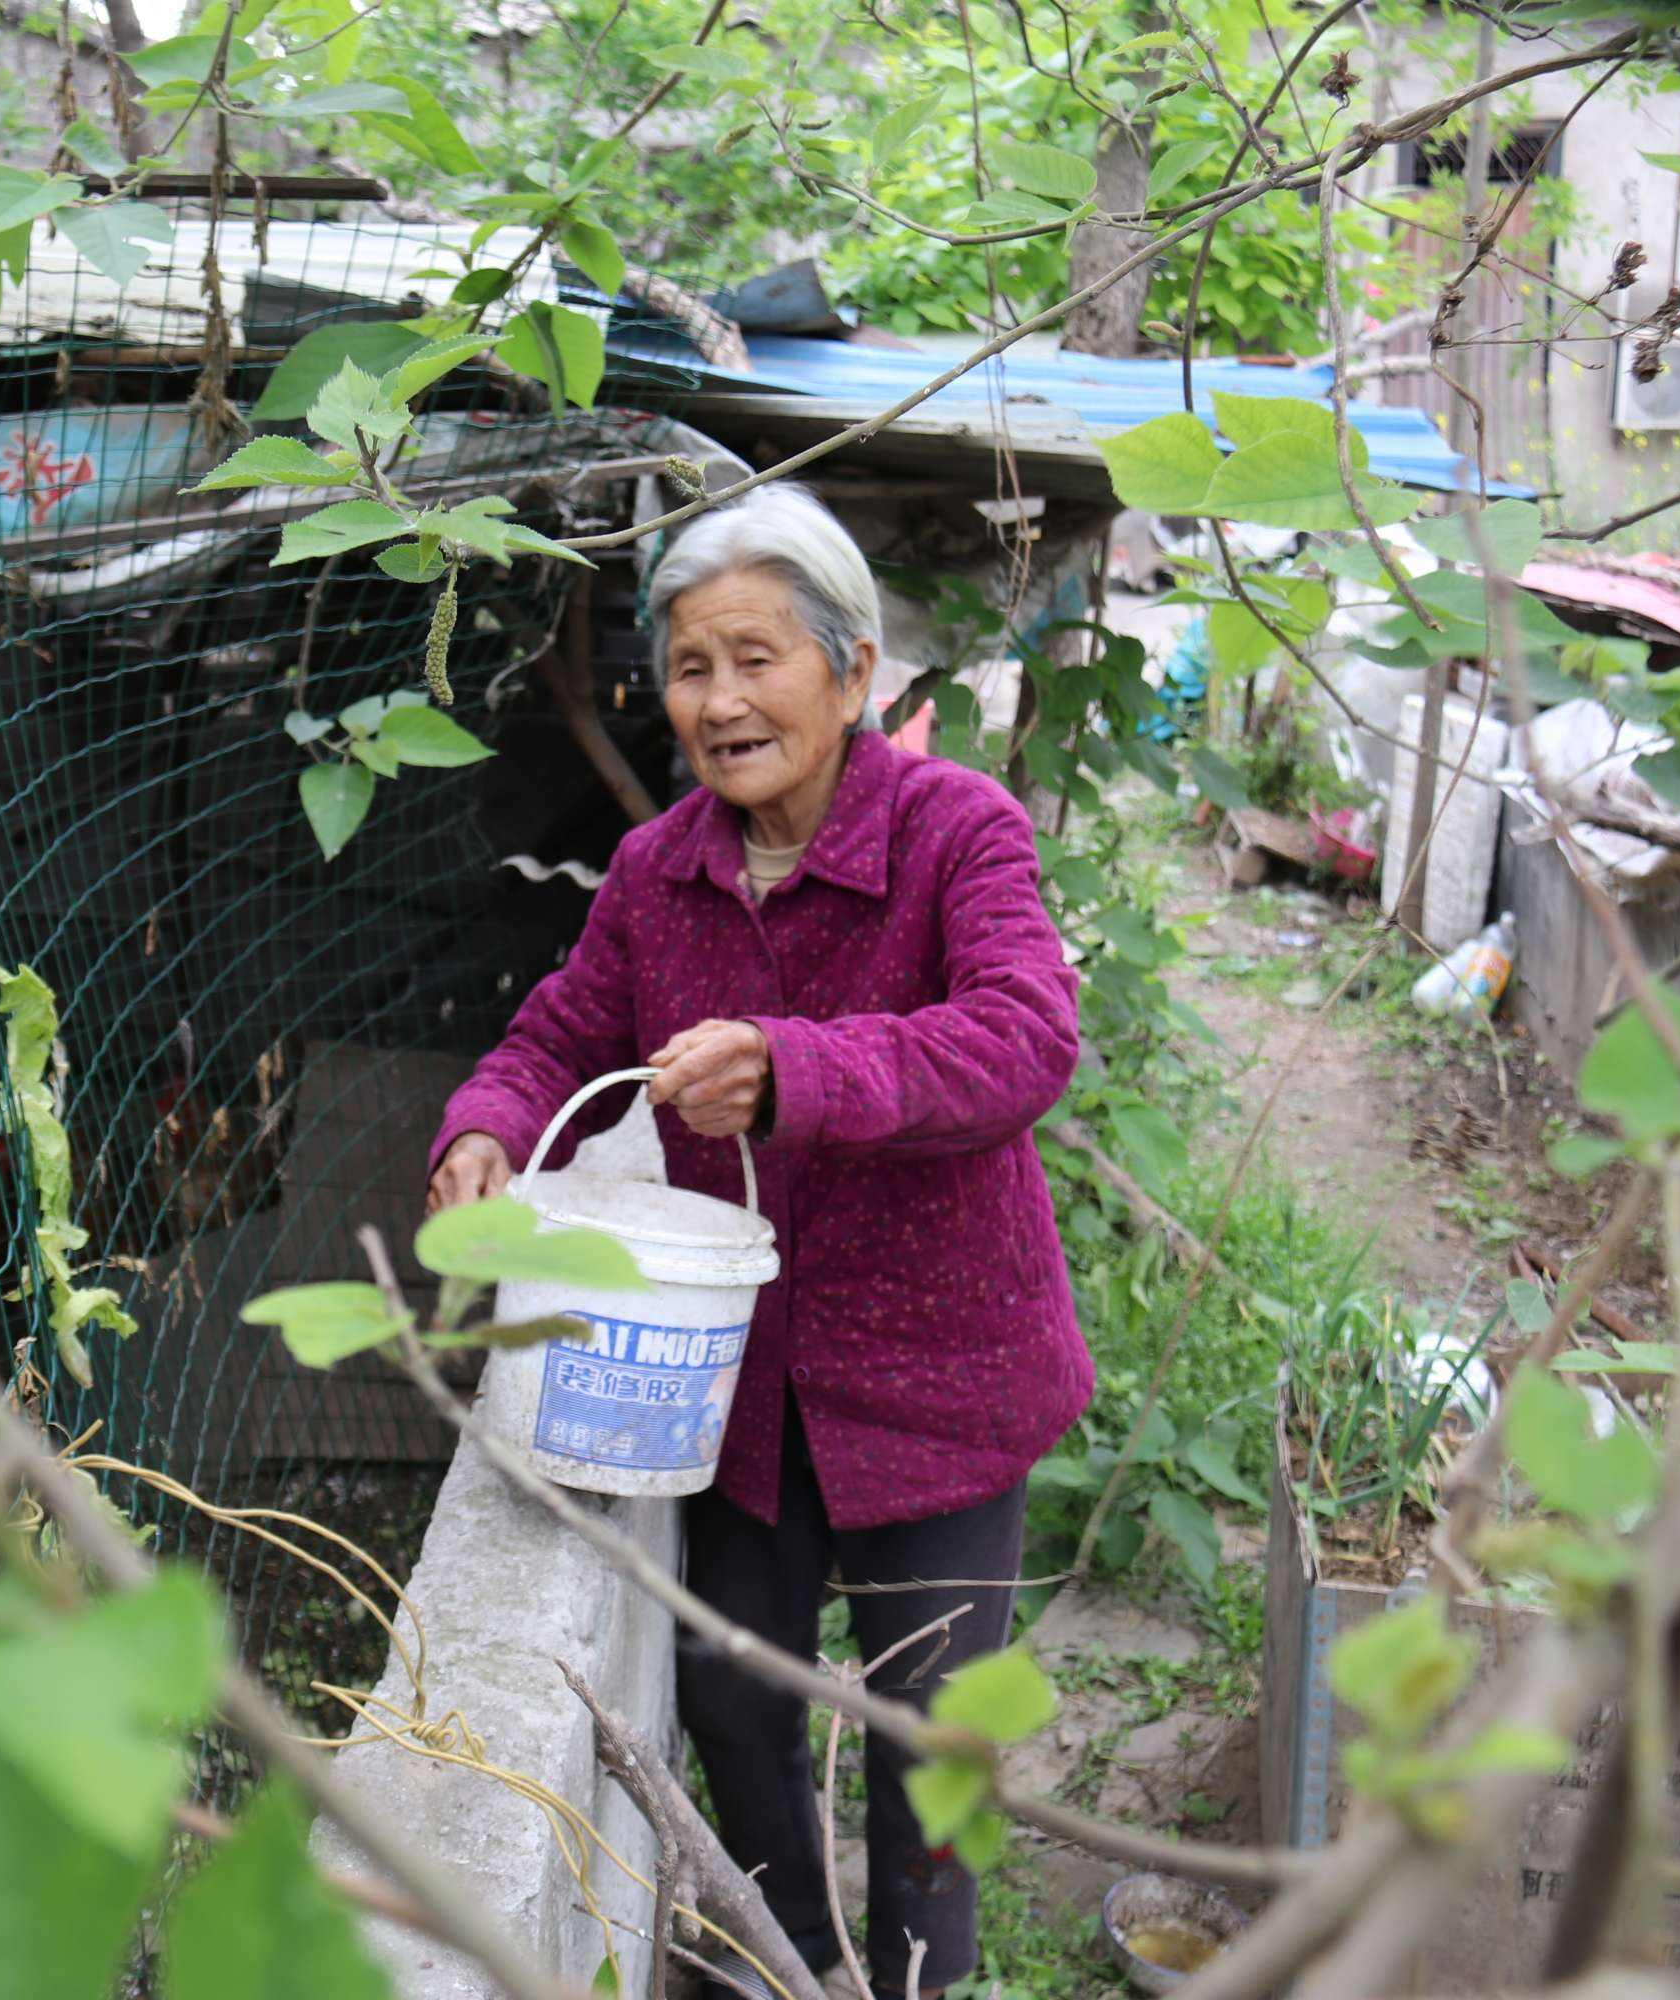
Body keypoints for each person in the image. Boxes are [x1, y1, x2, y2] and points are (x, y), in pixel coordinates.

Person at [423, 484, 1093, 2000]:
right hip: (741, 1384)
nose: (719, 703)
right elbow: (555, 1040)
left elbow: (1024, 1039)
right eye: (687, 667)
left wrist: (798, 1068)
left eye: (756, 659)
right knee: (732, 1698)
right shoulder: (661, 874)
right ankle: (795, 1974)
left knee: (933, 1743)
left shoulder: (954, 833)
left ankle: (926, 1981)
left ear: (853, 673)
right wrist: (482, 1128)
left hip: (943, 1372)